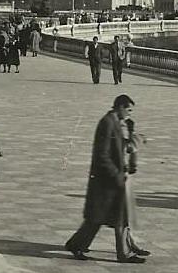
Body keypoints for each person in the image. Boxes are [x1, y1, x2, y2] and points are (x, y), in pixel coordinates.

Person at [64, 94, 150, 264]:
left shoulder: (118, 122)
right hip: (106, 181)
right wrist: (116, 174)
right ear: (120, 107)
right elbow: (101, 155)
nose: (130, 114)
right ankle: (80, 246)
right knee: (98, 218)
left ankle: (122, 251)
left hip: (114, 179)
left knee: (115, 217)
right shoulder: (107, 123)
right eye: (129, 110)